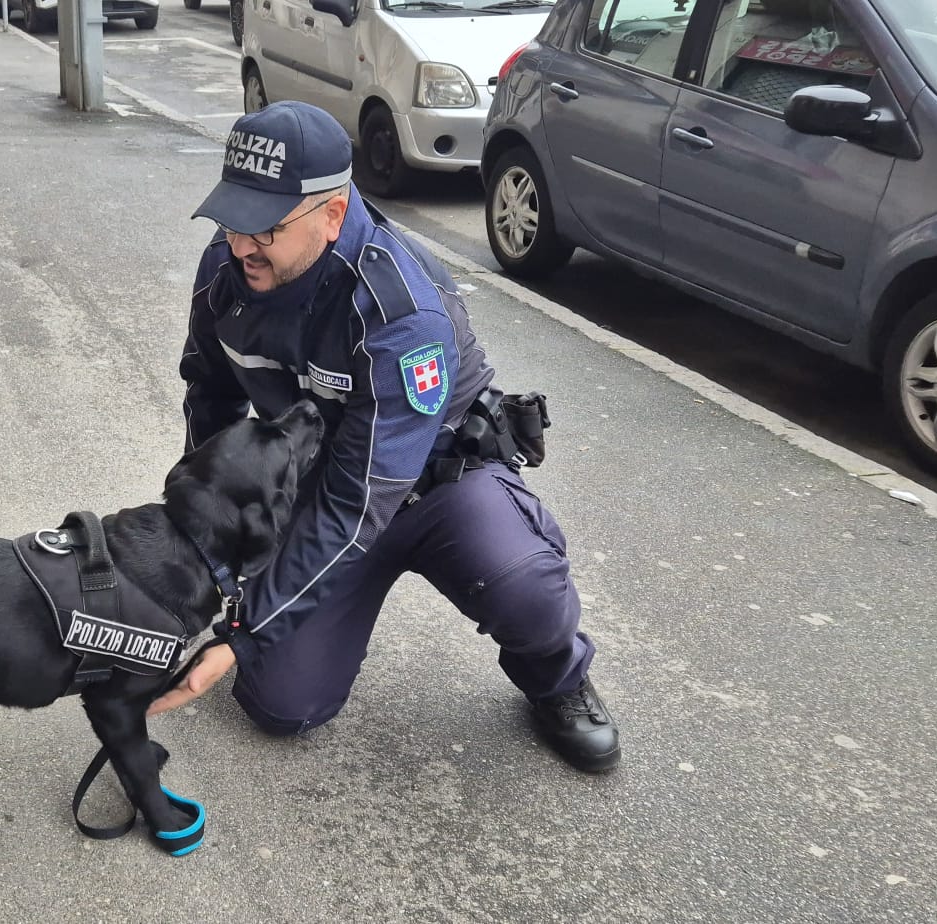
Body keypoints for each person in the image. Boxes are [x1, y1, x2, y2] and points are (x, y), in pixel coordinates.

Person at [147, 101, 620, 773]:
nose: (240, 244)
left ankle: (556, 675)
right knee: (282, 703)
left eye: (264, 228)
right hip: (320, 487)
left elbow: (358, 499)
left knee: (527, 594)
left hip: (436, 491)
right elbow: (210, 393)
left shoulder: (401, 314)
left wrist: (243, 629)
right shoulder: (228, 272)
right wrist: (207, 539)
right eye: (231, 219)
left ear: (333, 215)